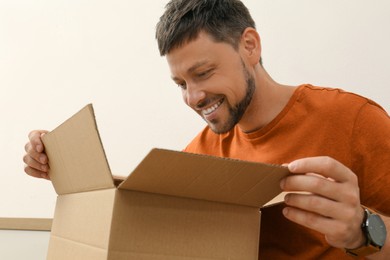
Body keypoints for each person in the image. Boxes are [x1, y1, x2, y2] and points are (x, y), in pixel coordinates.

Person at [23, 0, 389, 259]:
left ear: (250, 46)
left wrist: (362, 230)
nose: (193, 97)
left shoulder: (353, 120)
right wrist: (60, 162)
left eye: (203, 73)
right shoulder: (199, 158)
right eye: (180, 83)